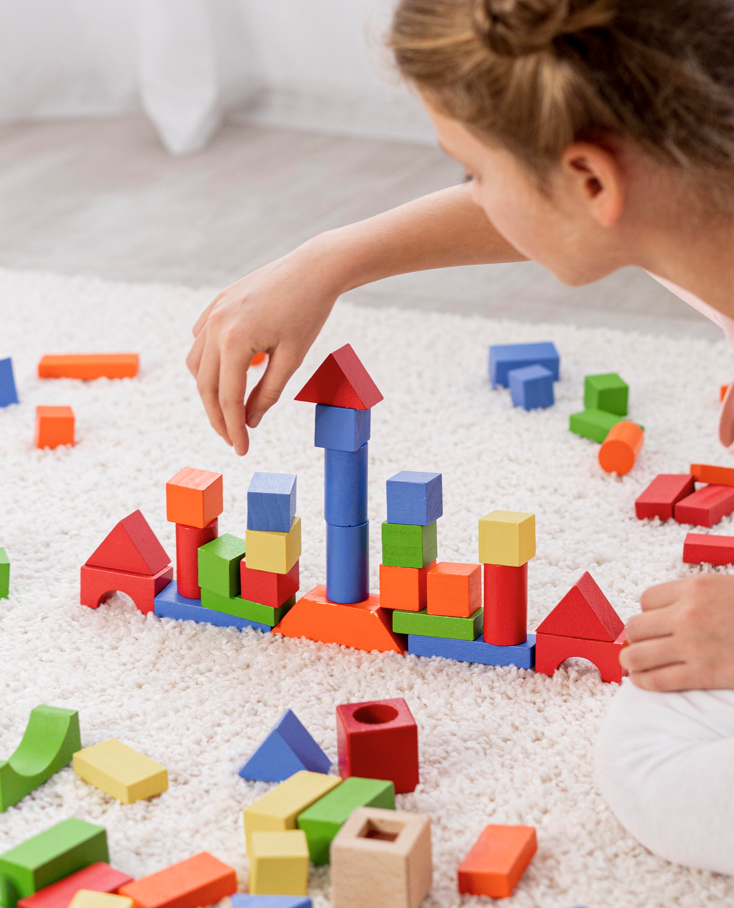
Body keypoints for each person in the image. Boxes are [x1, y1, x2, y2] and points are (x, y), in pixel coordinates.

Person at [187, 0, 734, 872]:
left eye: (474, 171)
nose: (476, 192)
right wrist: (330, 259)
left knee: (655, 764)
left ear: (590, 180)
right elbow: (557, 202)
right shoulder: (693, 201)